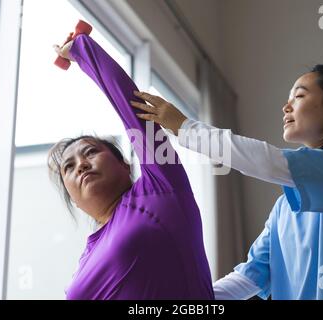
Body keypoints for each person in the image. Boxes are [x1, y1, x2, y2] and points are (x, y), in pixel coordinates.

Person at [130, 64, 323, 299]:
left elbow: (269, 161)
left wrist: (186, 128)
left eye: (299, 96)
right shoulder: (284, 209)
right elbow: (249, 278)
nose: (286, 106)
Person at [48, 32, 214, 300]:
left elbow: (132, 106)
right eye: (69, 167)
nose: (81, 165)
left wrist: (82, 50)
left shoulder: (160, 189)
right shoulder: (85, 261)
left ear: (125, 165)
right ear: (74, 200)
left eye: (90, 152)